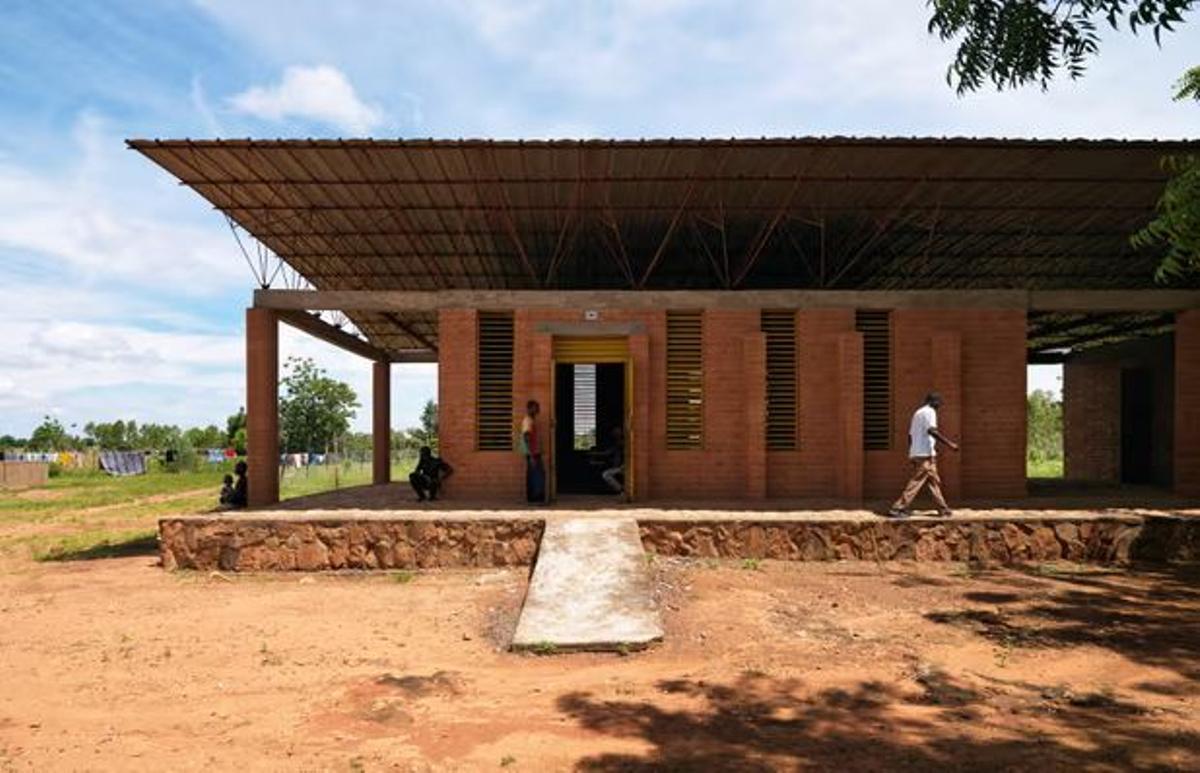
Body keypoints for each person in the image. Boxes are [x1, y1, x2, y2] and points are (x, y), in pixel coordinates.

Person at [888, 392, 959, 518]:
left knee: (933, 482)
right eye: (938, 403)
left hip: (920, 453)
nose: (939, 406)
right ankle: (898, 508)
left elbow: (910, 436)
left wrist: (912, 453)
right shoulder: (930, 412)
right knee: (917, 481)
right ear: (933, 401)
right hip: (925, 454)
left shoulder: (917, 413)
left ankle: (943, 509)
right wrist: (950, 444)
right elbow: (932, 430)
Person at [521, 400, 545, 504]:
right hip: (533, 453)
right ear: (530, 408)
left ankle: (535, 498)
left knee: (536, 475)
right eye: (535, 407)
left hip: (535, 452)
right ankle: (534, 499)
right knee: (535, 476)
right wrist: (530, 455)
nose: (538, 410)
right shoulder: (528, 421)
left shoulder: (532, 420)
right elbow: (526, 437)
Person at [597, 426, 626, 499]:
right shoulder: (616, 444)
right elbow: (608, 452)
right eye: (614, 432)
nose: (615, 433)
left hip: (625, 467)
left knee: (606, 474)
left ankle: (622, 490)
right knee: (606, 473)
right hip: (618, 467)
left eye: (617, 432)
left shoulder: (625, 443)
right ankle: (621, 489)